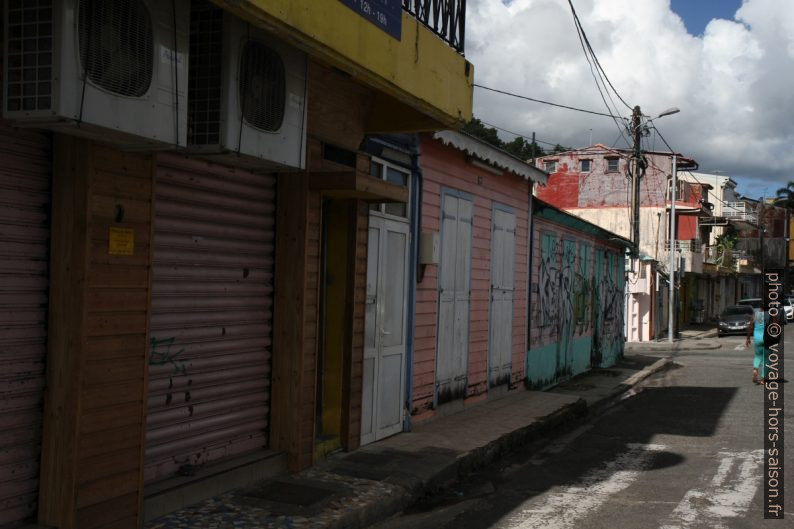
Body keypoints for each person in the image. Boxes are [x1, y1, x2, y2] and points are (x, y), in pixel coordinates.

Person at [746, 303, 770, 385]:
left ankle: (755, 369)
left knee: (757, 355)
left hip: (757, 338)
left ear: (760, 307)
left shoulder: (755, 314)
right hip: (767, 338)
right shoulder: (769, 315)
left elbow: (751, 326)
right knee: (766, 358)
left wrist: (748, 338)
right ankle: (763, 379)